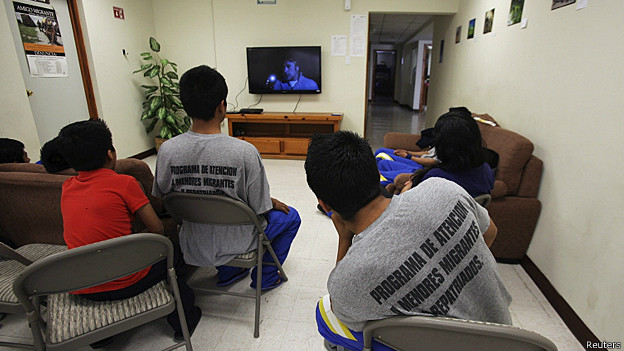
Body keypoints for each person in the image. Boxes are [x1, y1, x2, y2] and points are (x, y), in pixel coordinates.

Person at [305, 131, 511, 351]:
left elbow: (341, 312)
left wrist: (344, 239)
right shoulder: (443, 189)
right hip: (506, 340)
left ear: (325, 206)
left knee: (325, 313)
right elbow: (490, 232)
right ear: (376, 173)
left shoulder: (348, 279)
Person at [153, 65, 300, 291]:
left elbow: (165, 199)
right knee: (291, 217)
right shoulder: (244, 152)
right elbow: (259, 207)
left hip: (192, 242)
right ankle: (266, 278)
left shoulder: (167, 150)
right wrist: (271, 202)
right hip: (239, 242)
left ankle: (229, 272)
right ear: (222, 106)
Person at [56, 120, 201, 342]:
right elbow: (157, 229)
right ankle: (184, 322)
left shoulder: (67, 187)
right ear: (110, 154)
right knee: (173, 252)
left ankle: (100, 337)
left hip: (81, 285)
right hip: (127, 281)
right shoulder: (125, 183)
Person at [395, 111, 495, 197]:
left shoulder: (435, 177)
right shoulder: (486, 171)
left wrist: (408, 186)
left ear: (443, 146)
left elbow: (405, 206)